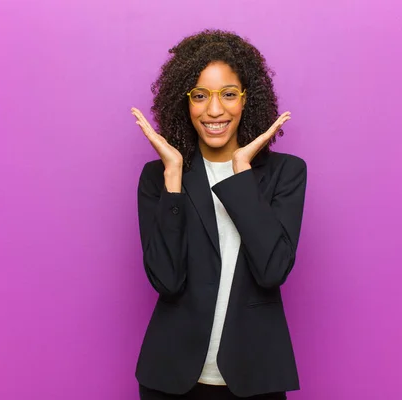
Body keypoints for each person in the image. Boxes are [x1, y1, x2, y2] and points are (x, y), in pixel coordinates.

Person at [131, 29, 307, 400]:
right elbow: (166, 280)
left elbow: (273, 270)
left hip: (254, 376)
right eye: (200, 96)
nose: (214, 110)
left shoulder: (285, 173)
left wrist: (240, 173)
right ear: (185, 102)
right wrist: (174, 179)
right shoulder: (159, 176)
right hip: (171, 378)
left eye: (228, 94)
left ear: (247, 100)